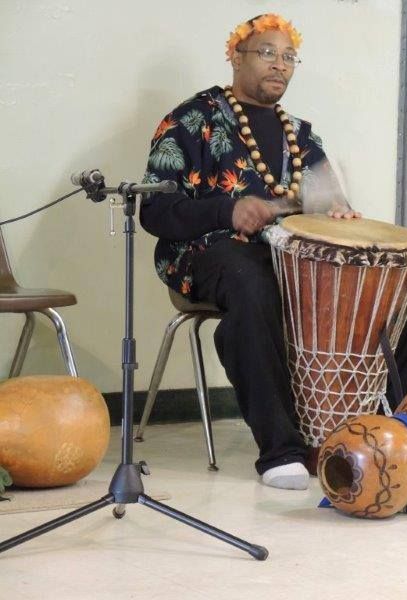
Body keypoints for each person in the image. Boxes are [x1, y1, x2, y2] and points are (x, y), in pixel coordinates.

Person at [139, 13, 362, 491]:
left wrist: (339, 214)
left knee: (363, 281)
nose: (279, 65)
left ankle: (367, 428)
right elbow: (155, 211)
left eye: (288, 57)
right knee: (249, 277)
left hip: (283, 259)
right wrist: (227, 210)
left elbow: (330, 205)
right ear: (235, 57)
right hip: (206, 255)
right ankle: (281, 448)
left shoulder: (301, 136)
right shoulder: (190, 120)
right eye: (266, 53)